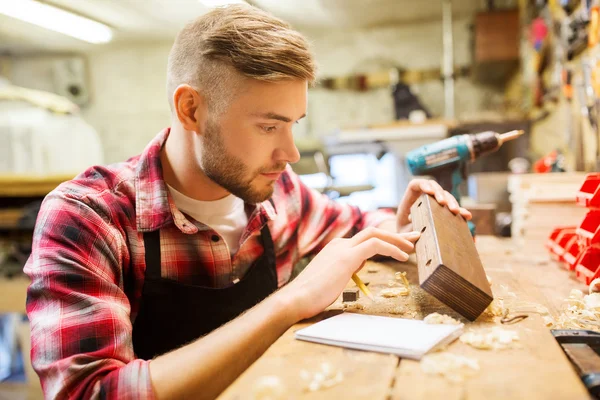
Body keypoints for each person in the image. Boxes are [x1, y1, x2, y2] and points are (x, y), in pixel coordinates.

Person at [24, 4, 471, 400]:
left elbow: (356, 224)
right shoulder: (88, 217)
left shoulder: (281, 193)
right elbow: (91, 394)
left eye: (294, 123)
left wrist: (400, 220)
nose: (291, 153)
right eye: (267, 126)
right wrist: (289, 302)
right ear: (191, 110)